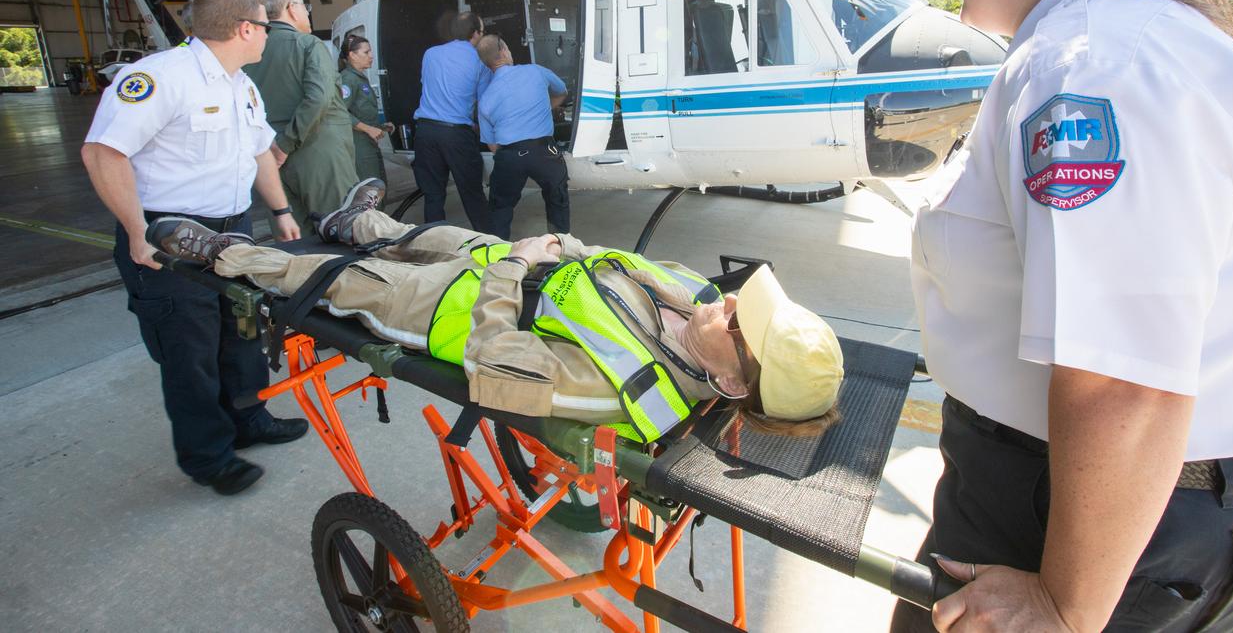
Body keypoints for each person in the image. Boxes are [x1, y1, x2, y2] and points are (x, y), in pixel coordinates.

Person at [890, 0, 1233, 631]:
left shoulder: (1090, 60)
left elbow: (1123, 378)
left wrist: (1066, 607)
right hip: (1124, 506)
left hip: (1083, 520)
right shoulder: (1119, 42)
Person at [146, 179, 845, 439]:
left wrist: (517, 265)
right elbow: (612, 259)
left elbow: (492, 364)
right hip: (523, 267)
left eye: (737, 321)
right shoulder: (693, 297)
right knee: (429, 233)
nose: (726, 301)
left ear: (729, 382)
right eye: (741, 300)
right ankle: (361, 220)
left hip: (448, 313)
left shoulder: (627, 386)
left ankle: (225, 255)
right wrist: (549, 246)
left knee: (338, 277)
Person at [81, 0, 307, 497]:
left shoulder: (239, 83)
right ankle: (208, 455)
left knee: (242, 333)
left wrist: (280, 210)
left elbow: (259, 154)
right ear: (246, 28)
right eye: (265, 26)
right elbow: (102, 154)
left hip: (232, 232)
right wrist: (138, 232)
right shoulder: (160, 78)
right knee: (190, 350)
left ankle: (250, 419)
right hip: (169, 234)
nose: (269, 35)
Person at [244, 0, 358, 236]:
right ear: (292, 8)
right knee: (341, 229)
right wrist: (287, 142)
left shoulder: (250, 51)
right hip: (318, 153)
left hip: (271, 160)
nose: (307, 13)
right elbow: (319, 97)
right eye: (305, 7)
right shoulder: (308, 44)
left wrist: (277, 148)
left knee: (293, 239)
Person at [476, 34, 571, 239]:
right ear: (503, 51)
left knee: (500, 208)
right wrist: (544, 109)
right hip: (544, 151)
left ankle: (499, 257)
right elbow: (562, 92)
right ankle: (560, 250)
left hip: (509, 154)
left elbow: (493, 145)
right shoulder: (535, 71)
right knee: (557, 200)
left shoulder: (485, 99)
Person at [411, 11, 494, 232]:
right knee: (472, 194)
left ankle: (434, 244)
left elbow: (428, 85)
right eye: (482, 31)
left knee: (433, 195)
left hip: (426, 131)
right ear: (475, 33)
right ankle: (490, 245)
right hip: (457, 134)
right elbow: (484, 103)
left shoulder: (430, 54)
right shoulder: (480, 61)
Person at [338, 34, 392, 181]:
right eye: (366, 52)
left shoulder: (359, 77)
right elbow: (339, 112)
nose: (371, 56)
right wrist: (369, 129)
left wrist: (380, 126)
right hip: (359, 146)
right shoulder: (348, 79)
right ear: (353, 55)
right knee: (370, 192)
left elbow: (360, 111)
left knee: (378, 189)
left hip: (368, 143)